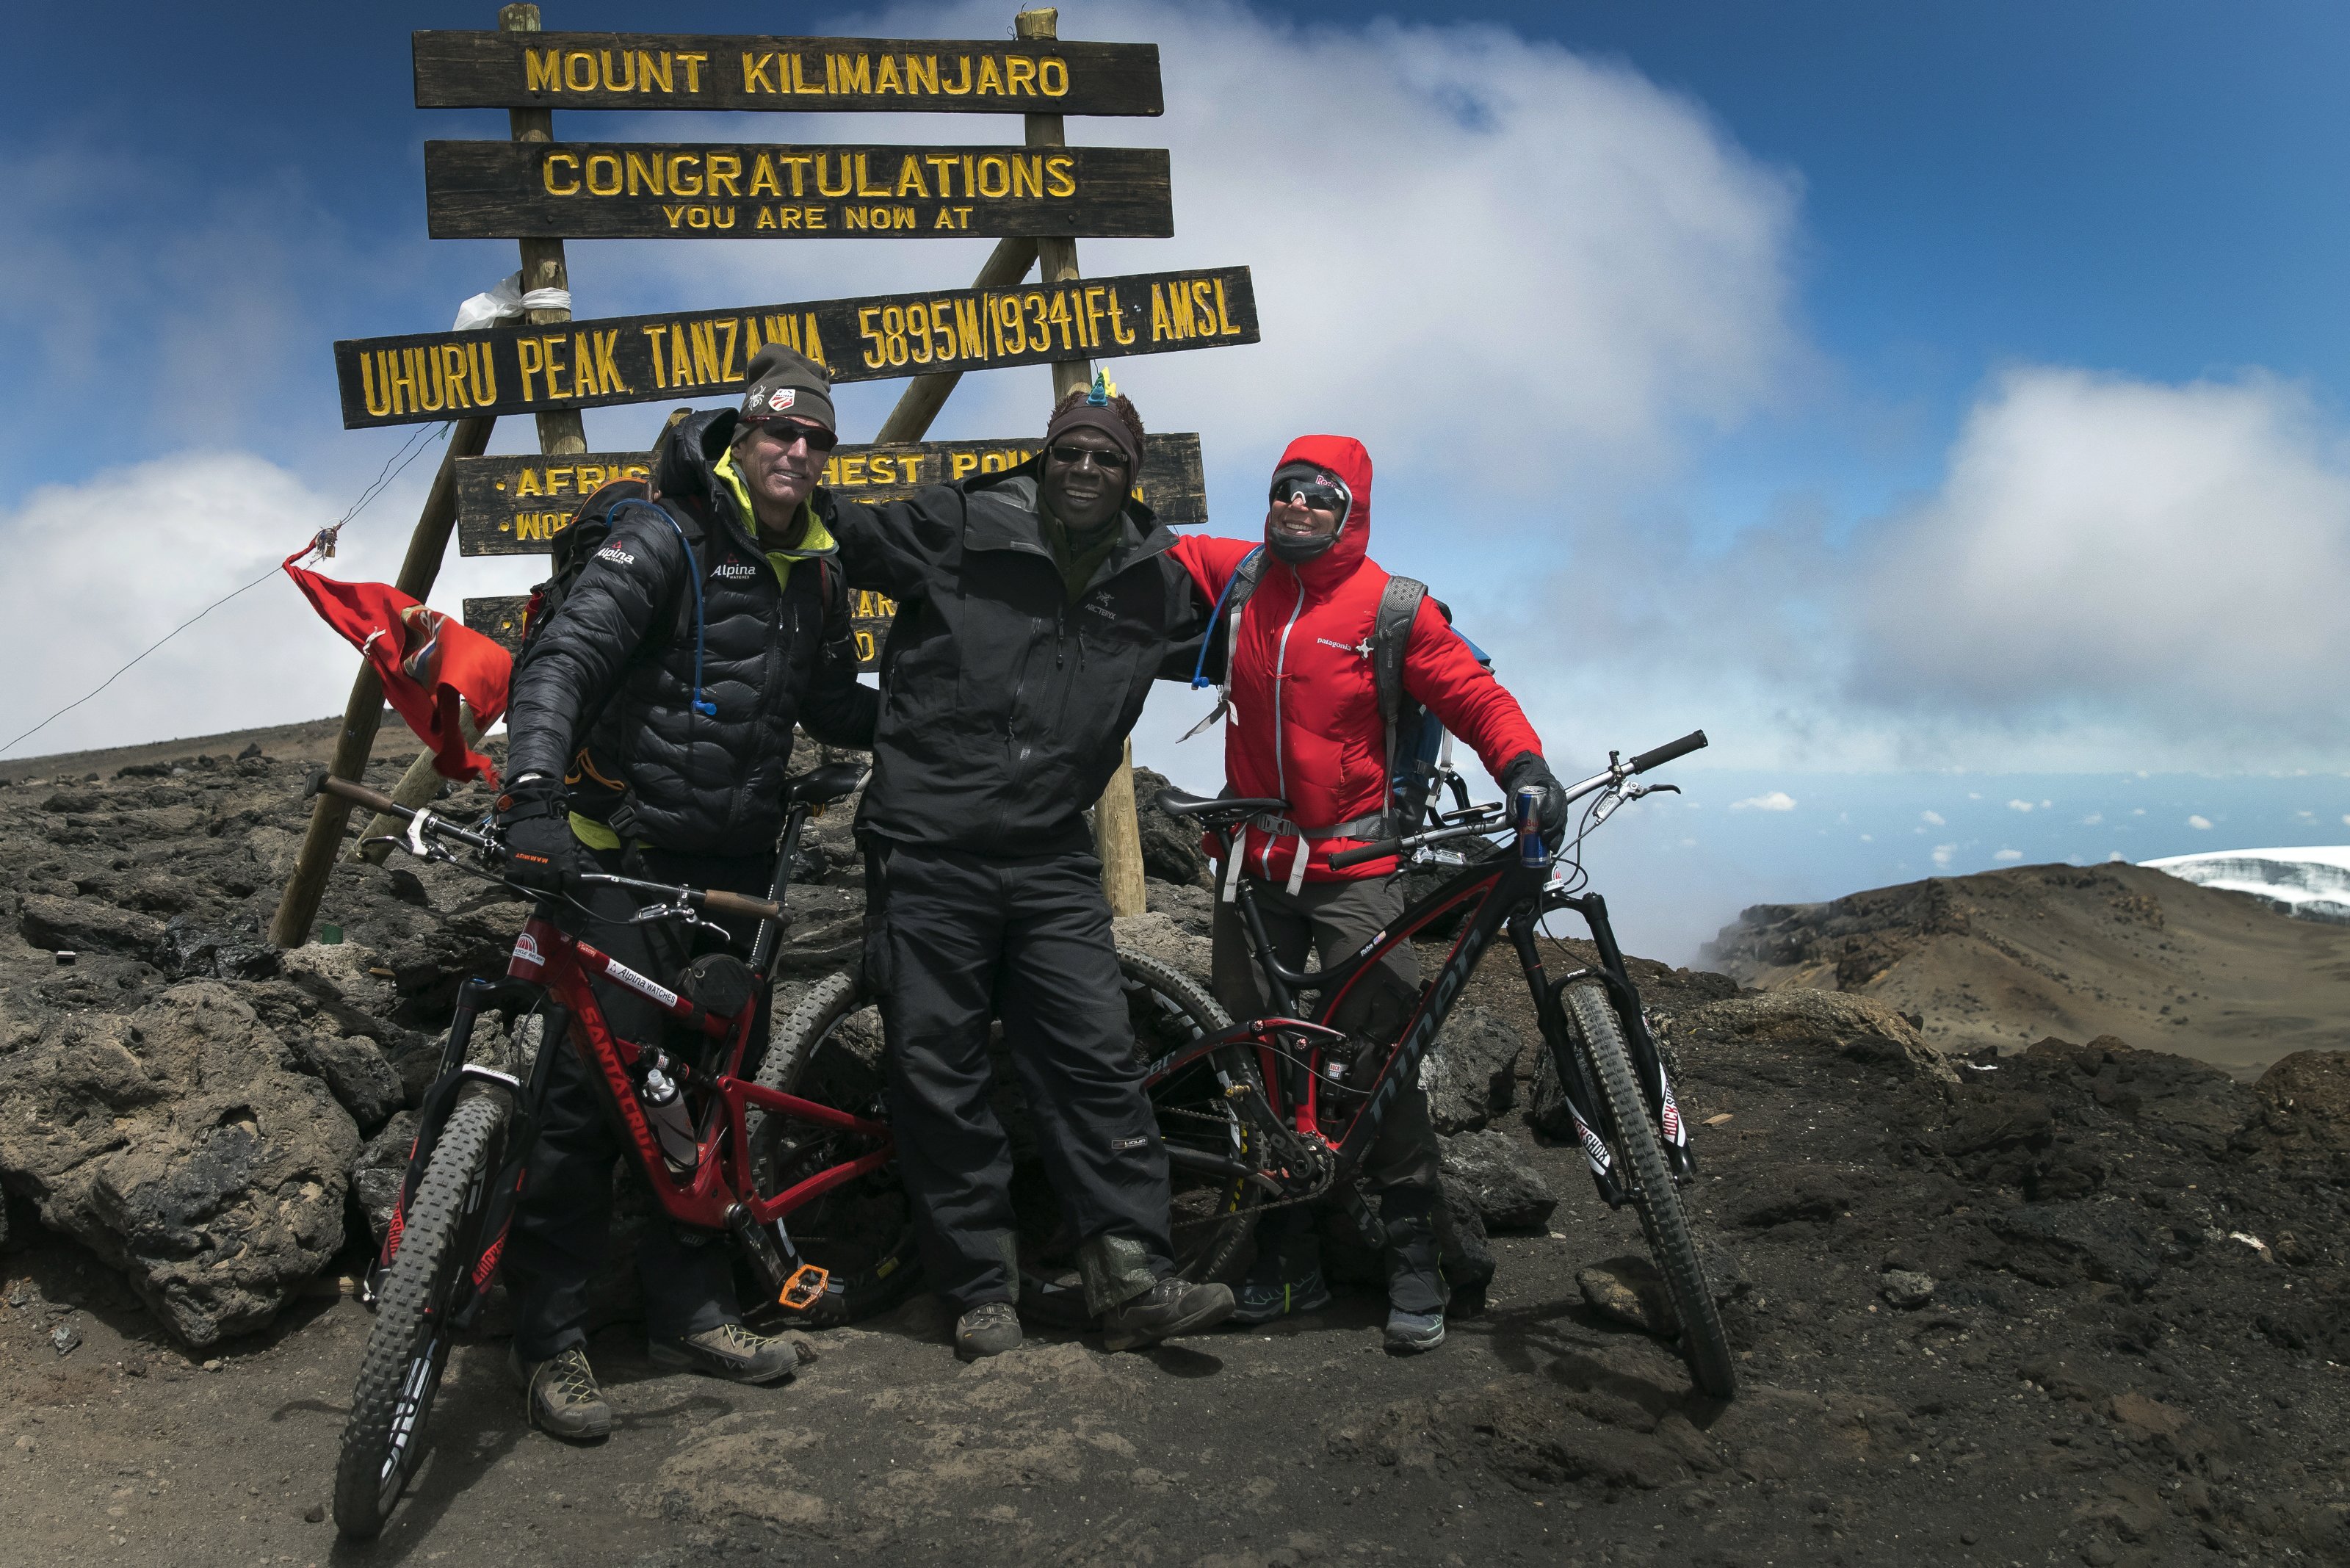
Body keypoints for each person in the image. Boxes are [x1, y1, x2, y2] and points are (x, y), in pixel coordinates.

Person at [492, 344, 877, 1438]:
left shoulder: (818, 563)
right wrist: (530, 796)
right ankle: (552, 1341)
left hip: (740, 869)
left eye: (815, 438)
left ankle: (692, 1312)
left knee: (709, 1093)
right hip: (618, 851)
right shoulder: (662, 533)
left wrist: (938, 718)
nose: (795, 450)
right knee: (584, 1099)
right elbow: (563, 659)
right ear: (742, 433)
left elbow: (832, 700)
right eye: (777, 431)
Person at [815, 374, 1235, 1360]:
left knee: (1096, 1056)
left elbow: (1268, 646)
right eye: (1070, 451)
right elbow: (853, 536)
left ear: (1134, 475)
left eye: (1107, 457)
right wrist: (770, 469)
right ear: (1048, 455)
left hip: (1050, 855)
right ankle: (979, 1290)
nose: (1084, 468)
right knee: (938, 1068)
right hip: (928, 845)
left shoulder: (1156, 579)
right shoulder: (962, 520)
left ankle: (1130, 1275)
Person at [1165, 436, 1565, 1353]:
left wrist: (1525, 764)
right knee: (1261, 1065)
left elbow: (1472, 694)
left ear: (1353, 510)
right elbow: (1157, 544)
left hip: (1352, 871)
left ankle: (1414, 1253)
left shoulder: (1391, 608)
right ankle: (1287, 1246)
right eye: (1284, 489)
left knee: (1379, 1061)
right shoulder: (1243, 572)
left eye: (1320, 494)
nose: (1297, 504)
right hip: (1250, 868)